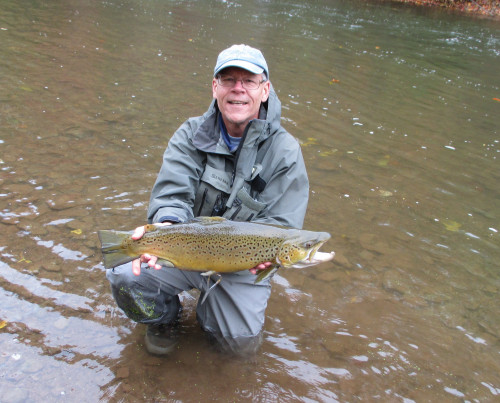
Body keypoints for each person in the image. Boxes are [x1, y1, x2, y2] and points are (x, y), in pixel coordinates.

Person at [106, 44, 309, 356]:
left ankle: (214, 310)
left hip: (243, 265)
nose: (238, 88)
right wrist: (166, 226)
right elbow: (172, 194)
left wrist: (270, 259)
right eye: (228, 80)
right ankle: (163, 320)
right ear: (215, 87)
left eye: (249, 81)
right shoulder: (190, 134)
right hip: (187, 248)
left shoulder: (286, 153)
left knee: (238, 349)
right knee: (124, 275)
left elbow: (283, 226)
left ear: (265, 90)